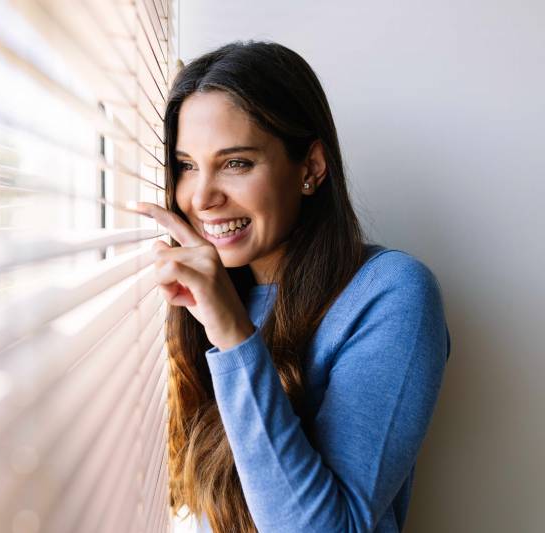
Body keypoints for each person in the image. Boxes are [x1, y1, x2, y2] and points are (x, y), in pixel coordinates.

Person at [131, 41, 451, 532]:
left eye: (236, 163)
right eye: (186, 166)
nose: (201, 197)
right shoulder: (200, 300)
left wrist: (235, 337)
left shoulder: (391, 293)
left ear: (311, 168)